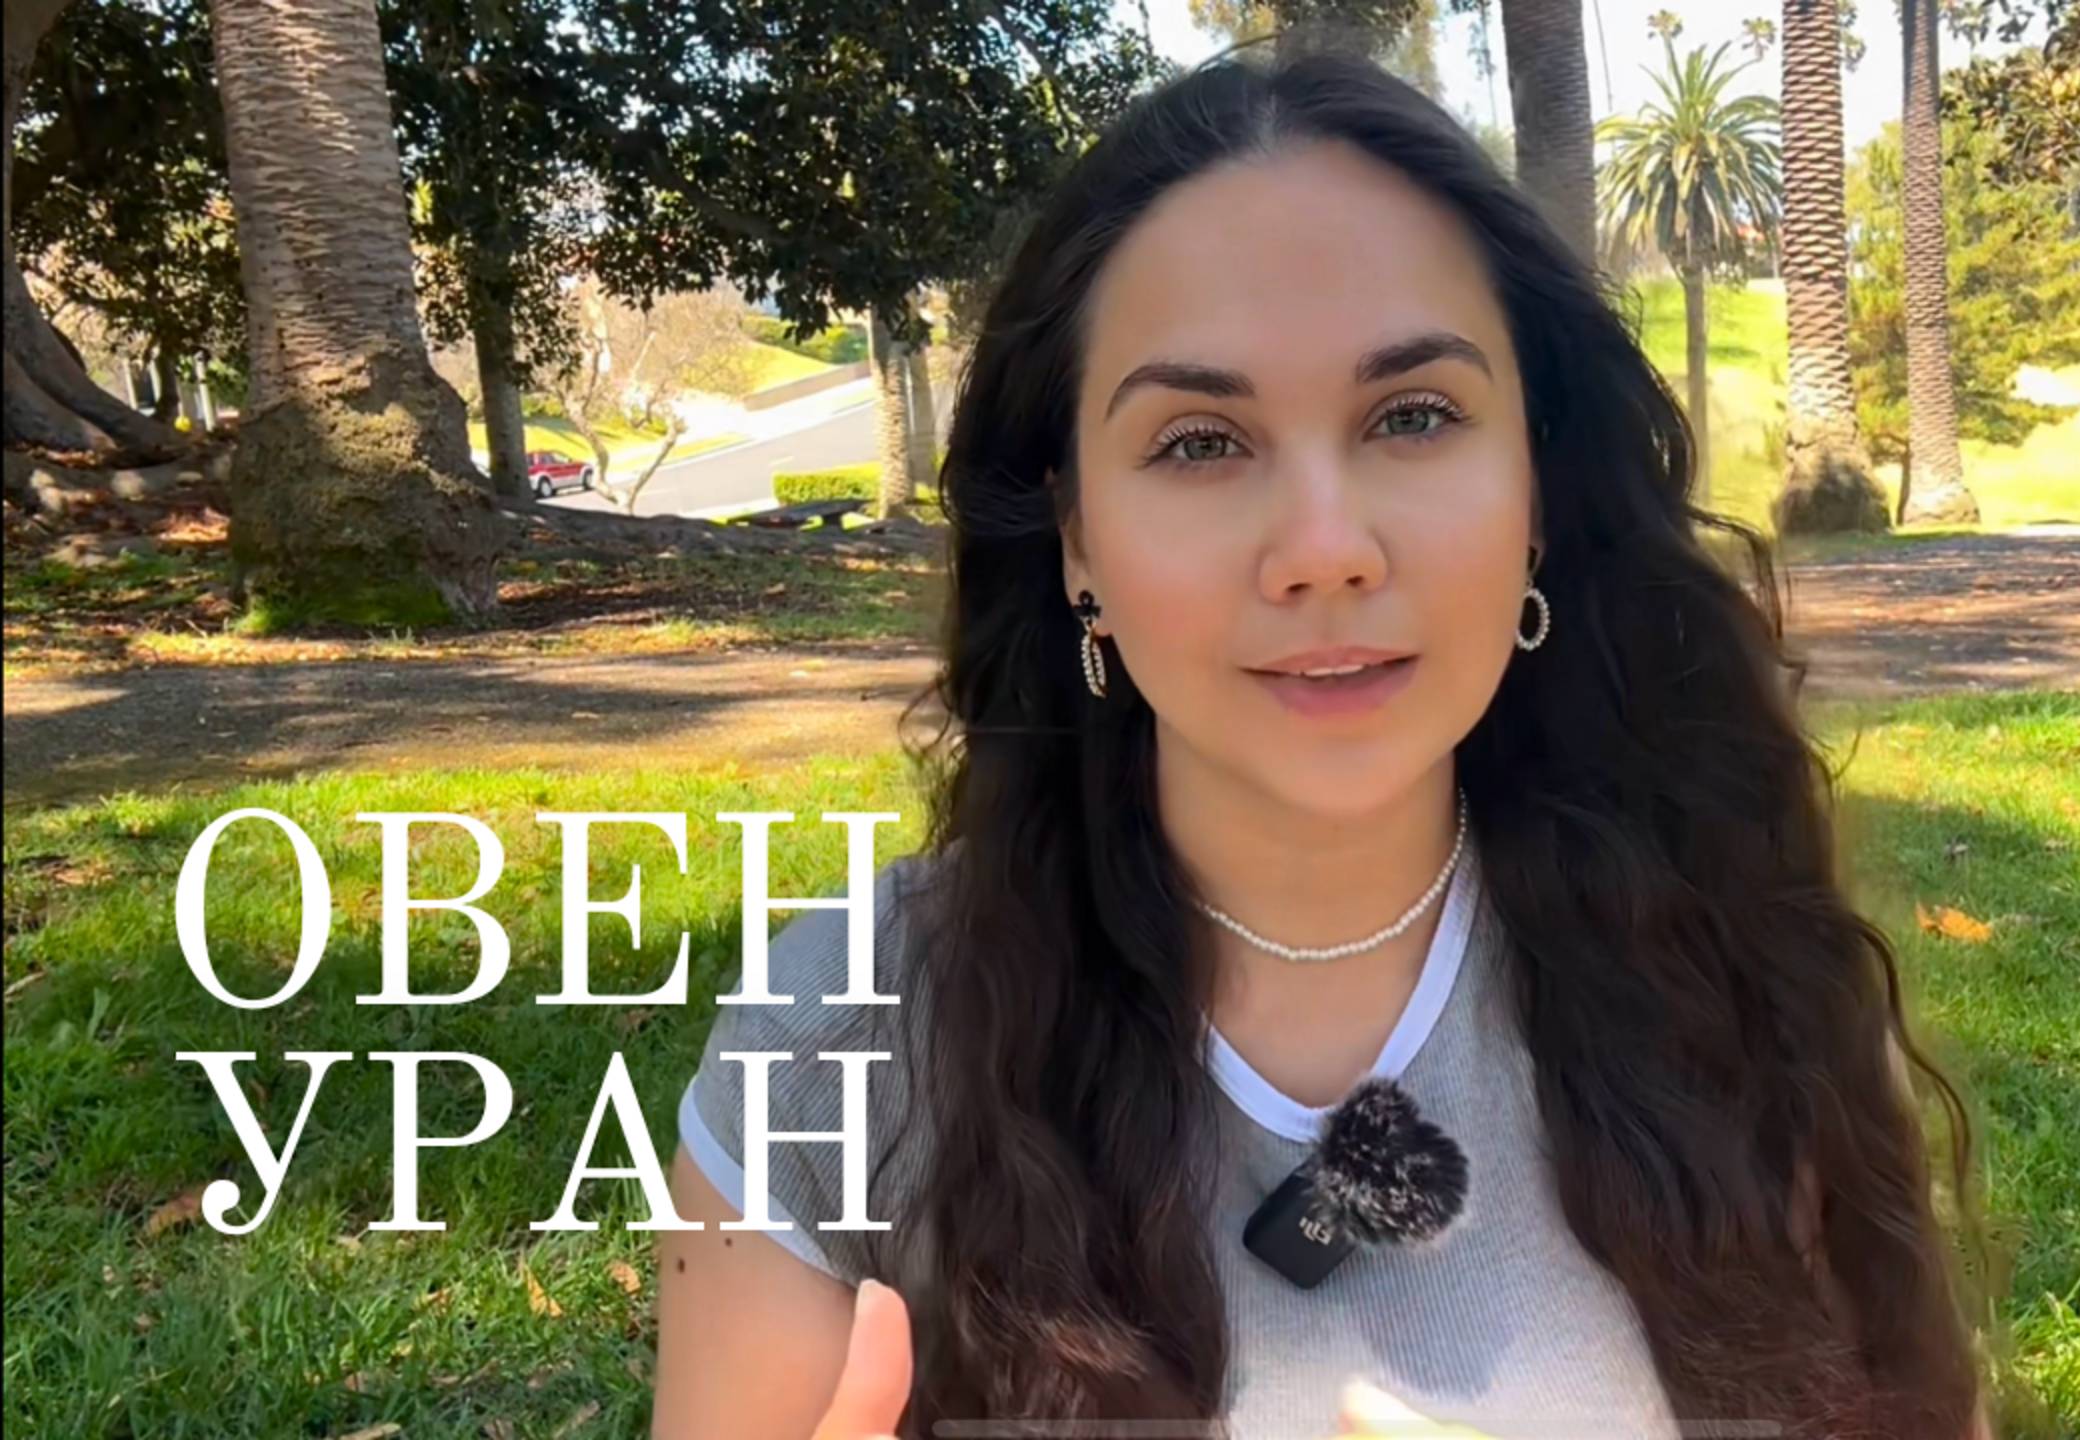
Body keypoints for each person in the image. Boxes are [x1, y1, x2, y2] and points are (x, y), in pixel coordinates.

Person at [651, 54, 1984, 1440]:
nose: (1326, 549)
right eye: (1200, 443)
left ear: (1537, 488)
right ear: (1076, 538)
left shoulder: (1749, 964)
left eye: (1413, 416)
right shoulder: (847, 1030)